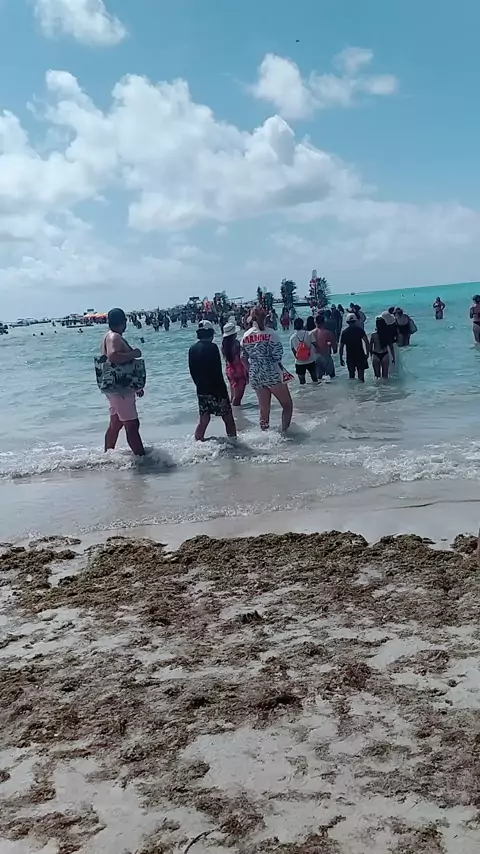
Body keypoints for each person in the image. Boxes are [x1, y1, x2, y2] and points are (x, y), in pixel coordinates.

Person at [101, 307, 145, 456]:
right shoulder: (114, 337)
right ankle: (142, 459)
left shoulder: (109, 336)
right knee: (132, 424)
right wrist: (134, 353)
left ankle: (108, 455)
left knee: (116, 423)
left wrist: (136, 386)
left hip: (115, 387)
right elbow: (113, 356)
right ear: (124, 322)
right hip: (121, 389)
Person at [242, 307, 293, 432]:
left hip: (255, 374)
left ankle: (264, 434)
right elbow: (277, 355)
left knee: (264, 409)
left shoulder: (246, 335)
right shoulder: (271, 334)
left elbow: (243, 358)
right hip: (271, 372)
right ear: (266, 318)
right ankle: (284, 433)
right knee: (287, 405)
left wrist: (251, 369)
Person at [188, 321, 237, 441]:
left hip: (201, 389)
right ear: (210, 333)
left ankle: (197, 442)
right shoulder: (213, 347)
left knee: (204, 419)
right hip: (217, 390)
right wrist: (223, 390)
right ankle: (235, 443)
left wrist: (199, 386)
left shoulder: (192, 349)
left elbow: (192, 371)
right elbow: (217, 371)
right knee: (228, 418)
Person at [221, 322, 249, 405]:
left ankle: (233, 410)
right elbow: (240, 358)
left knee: (233, 395)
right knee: (237, 398)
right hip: (239, 370)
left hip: (229, 370)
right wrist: (246, 371)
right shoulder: (236, 343)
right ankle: (236, 411)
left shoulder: (224, 345)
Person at [339, 313, 369, 382]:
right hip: (360, 354)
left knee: (351, 376)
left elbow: (341, 346)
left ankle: (352, 388)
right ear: (355, 321)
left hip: (350, 356)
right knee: (361, 377)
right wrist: (367, 353)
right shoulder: (360, 330)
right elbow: (366, 342)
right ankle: (361, 388)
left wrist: (340, 358)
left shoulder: (344, 332)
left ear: (347, 322)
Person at [290, 318, 318, 385]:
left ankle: (304, 391)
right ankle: (317, 390)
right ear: (302, 324)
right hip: (310, 359)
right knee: (315, 380)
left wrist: (297, 357)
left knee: (302, 382)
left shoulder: (292, 337)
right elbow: (315, 344)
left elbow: (293, 349)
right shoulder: (309, 334)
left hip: (299, 362)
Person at [312, 313, 337, 378]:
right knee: (332, 376)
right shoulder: (327, 333)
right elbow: (334, 346)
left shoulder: (310, 333)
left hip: (315, 357)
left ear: (315, 322)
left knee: (319, 378)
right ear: (324, 322)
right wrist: (334, 350)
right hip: (325, 356)